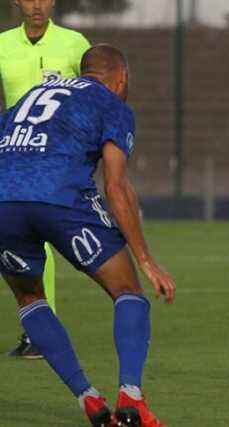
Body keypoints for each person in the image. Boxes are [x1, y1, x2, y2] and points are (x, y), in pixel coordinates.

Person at [0, 44, 174, 427]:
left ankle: (89, 401)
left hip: (3, 204)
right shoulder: (112, 104)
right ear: (122, 78)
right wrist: (146, 259)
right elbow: (116, 186)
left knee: (29, 297)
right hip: (61, 198)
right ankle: (131, 399)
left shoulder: (32, 95)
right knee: (127, 291)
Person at [0, 0, 91, 358]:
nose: (37, 5)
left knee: (32, 236)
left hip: (56, 154)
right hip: (12, 150)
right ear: (16, 2)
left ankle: (40, 332)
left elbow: (94, 95)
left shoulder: (74, 44)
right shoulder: (3, 44)